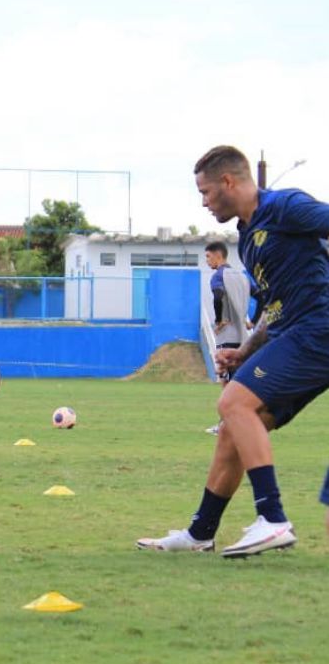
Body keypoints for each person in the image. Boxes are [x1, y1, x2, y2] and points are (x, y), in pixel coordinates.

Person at [137, 145, 329, 557]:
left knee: (233, 404)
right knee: (235, 426)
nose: (203, 202)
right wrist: (243, 353)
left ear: (228, 182)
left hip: (318, 330)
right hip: (295, 333)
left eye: (205, 192)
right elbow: (271, 310)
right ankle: (200, 533)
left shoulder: (285, 206)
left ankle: (273, 519)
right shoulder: (250, 237)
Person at [203, 240, 250, 434]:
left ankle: (226, 424)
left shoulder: (218, 276)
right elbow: (261, 295)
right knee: (237, 381)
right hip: (243, 338)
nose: (207, 261)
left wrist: (220, 319)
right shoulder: (241, 276)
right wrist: (252, 320)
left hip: (226, 337)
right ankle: (236, 422)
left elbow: (217, 295)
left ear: (218, 255)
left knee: (226, 382)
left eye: (208, 256)